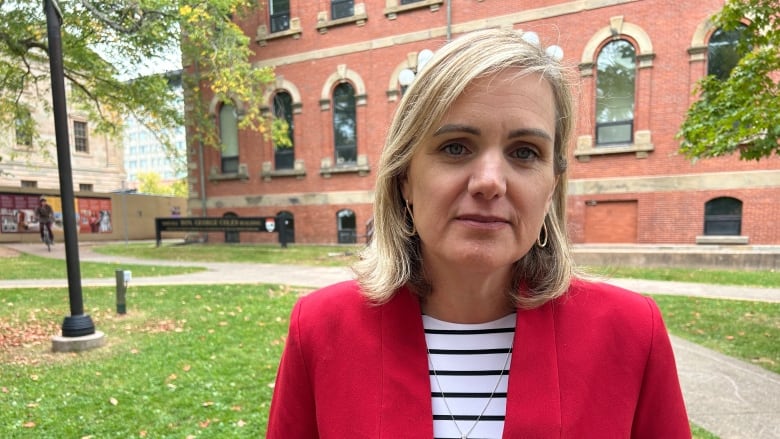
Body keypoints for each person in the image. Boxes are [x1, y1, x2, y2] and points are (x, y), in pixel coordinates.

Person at [266, 28, 690, 438]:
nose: (490, 182)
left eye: (525, 152)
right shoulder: (321, 331)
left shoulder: (631, 334)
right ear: (404, 179)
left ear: (551, 189)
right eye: (456, 147)